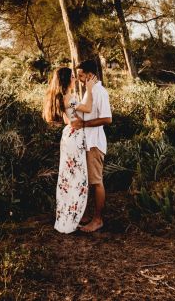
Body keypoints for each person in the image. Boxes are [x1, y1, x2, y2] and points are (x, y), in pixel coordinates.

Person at [43, 66, 93, 233]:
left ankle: (67, 217)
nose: (75, 78)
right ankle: (73, 218)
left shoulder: (60, 96)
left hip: (67, 137)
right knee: (77, 178)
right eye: (72, 76)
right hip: (75, 137)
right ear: (66, 80)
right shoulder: (70, 97)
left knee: (67, 178)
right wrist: (90, 89)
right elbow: (88, 109)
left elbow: (68, 119)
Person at [71, 59, 112, 233]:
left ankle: (98, 220)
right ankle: (88, 215)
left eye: (81, 75)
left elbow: (107, 119)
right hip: (87, 143)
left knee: (96, 182)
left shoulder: (100, 92)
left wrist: (84, 125)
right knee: (87, 181)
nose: (79, 78)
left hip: (95, 144)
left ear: (90, 74)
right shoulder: (90, 91)